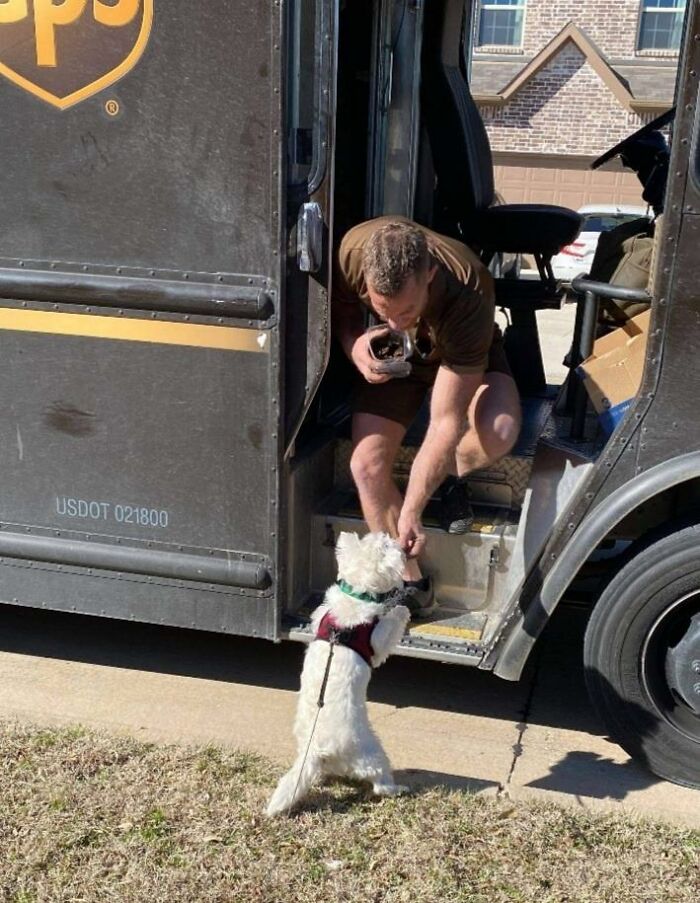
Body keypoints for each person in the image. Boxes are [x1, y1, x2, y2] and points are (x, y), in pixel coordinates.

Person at [332, 217, 521, 615]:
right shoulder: (352, 252)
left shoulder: (469, 285)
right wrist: (353, 346)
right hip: (401, 355)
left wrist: (414, 510)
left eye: (407, 309)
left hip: (459, 350)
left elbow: (446, 422)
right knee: (365, 467)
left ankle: (446, 479)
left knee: (499, 429)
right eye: (383, 309)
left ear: (430, 275)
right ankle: (410, 579)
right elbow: (343, 302)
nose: (395, 320)